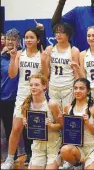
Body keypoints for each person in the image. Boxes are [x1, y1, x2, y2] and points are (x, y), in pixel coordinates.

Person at [1, 27, 46, 169]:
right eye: (26, 37)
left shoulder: (42, 55)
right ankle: (9, 159)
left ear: (38, 40)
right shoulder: (20, 54)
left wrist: (44, 63)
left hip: (37, 95)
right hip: (22, 95)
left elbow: (46, 77)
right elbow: (13, 74)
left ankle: (37, 156)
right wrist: (13, 58)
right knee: (16, 128)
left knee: (37, 128)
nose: (28, 40)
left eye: (31, 37)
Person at [60, 78, 94, 169]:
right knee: (65, 150)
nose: (78, 91)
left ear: (88, 91)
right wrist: (62, 121)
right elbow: (66, 131)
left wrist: (88, 123)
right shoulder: (68, 107)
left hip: (92, 147)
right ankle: (77, 165)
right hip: (76, 148)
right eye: (75, 88)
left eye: (81, 88)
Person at [21, 74, 62, 169]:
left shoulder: (52, 104)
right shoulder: (26, 104)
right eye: (31, 85)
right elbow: (30, 129)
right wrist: (26, 124)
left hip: (53, 144)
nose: (33, 87)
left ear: (44, 86)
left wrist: (51, 125)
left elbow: (61, 126)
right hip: (38, 145)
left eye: (36, 85)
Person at [42, 22, 80, 110]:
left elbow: (76, 74)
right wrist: (43, 62)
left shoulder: (74, 50)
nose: (58, 35)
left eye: (61, 32)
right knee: (54, 117)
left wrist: (77, 88)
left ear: (68, 34)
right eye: (56, 32)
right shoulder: (50, 49)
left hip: (68, 87)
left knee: (67, 116)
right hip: (53, 87)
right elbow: (46, 73)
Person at [0, 29, 20, 162]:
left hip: (15, 98)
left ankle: (13, 155)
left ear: (18, 41)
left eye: (13, 39)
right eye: (8, 39)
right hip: (2, 98)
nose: (10, 41)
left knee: (11, 129)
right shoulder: (1, 58)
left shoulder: (22, 56)